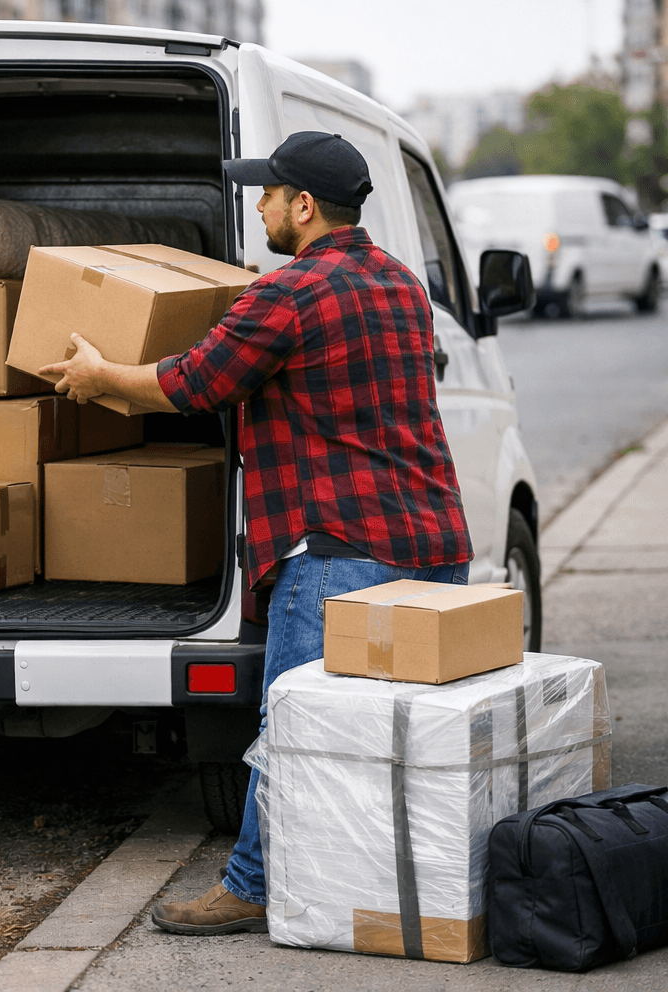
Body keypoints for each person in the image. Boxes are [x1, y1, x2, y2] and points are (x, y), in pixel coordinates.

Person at [42, 131, 472, 935]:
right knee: (388, 737)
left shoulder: (293, 293)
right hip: (434, 544)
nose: (260, 207)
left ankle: (250, 887)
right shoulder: (400, 283)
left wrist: (101, 378)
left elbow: (194, 383)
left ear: (304, 207)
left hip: (338, 552)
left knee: (296, 733)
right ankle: (382, 884)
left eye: (268, 195)